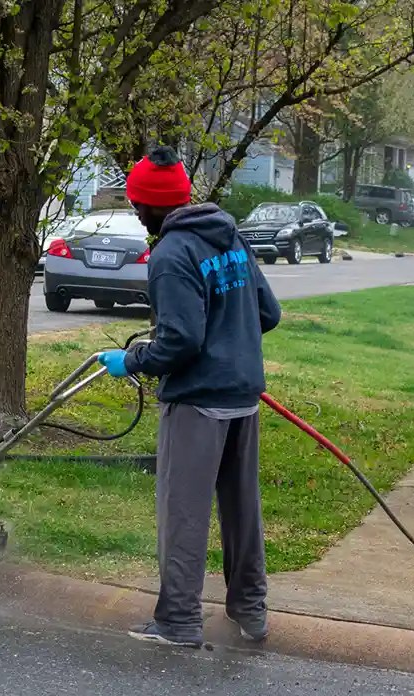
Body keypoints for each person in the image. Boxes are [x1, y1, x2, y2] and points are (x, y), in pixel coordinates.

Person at [96, 146, 282, 648]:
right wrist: (232, 338)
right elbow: (268, 313)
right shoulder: (230, 236)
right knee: (243, 510)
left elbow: (180, 340)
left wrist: (130, 362)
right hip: (243, 396)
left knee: (184, 511)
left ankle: (178, 621)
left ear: (149, 207)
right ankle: (250, 610)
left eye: (137, 206)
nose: (136, 213)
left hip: (199, 402)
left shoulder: (171, 254)